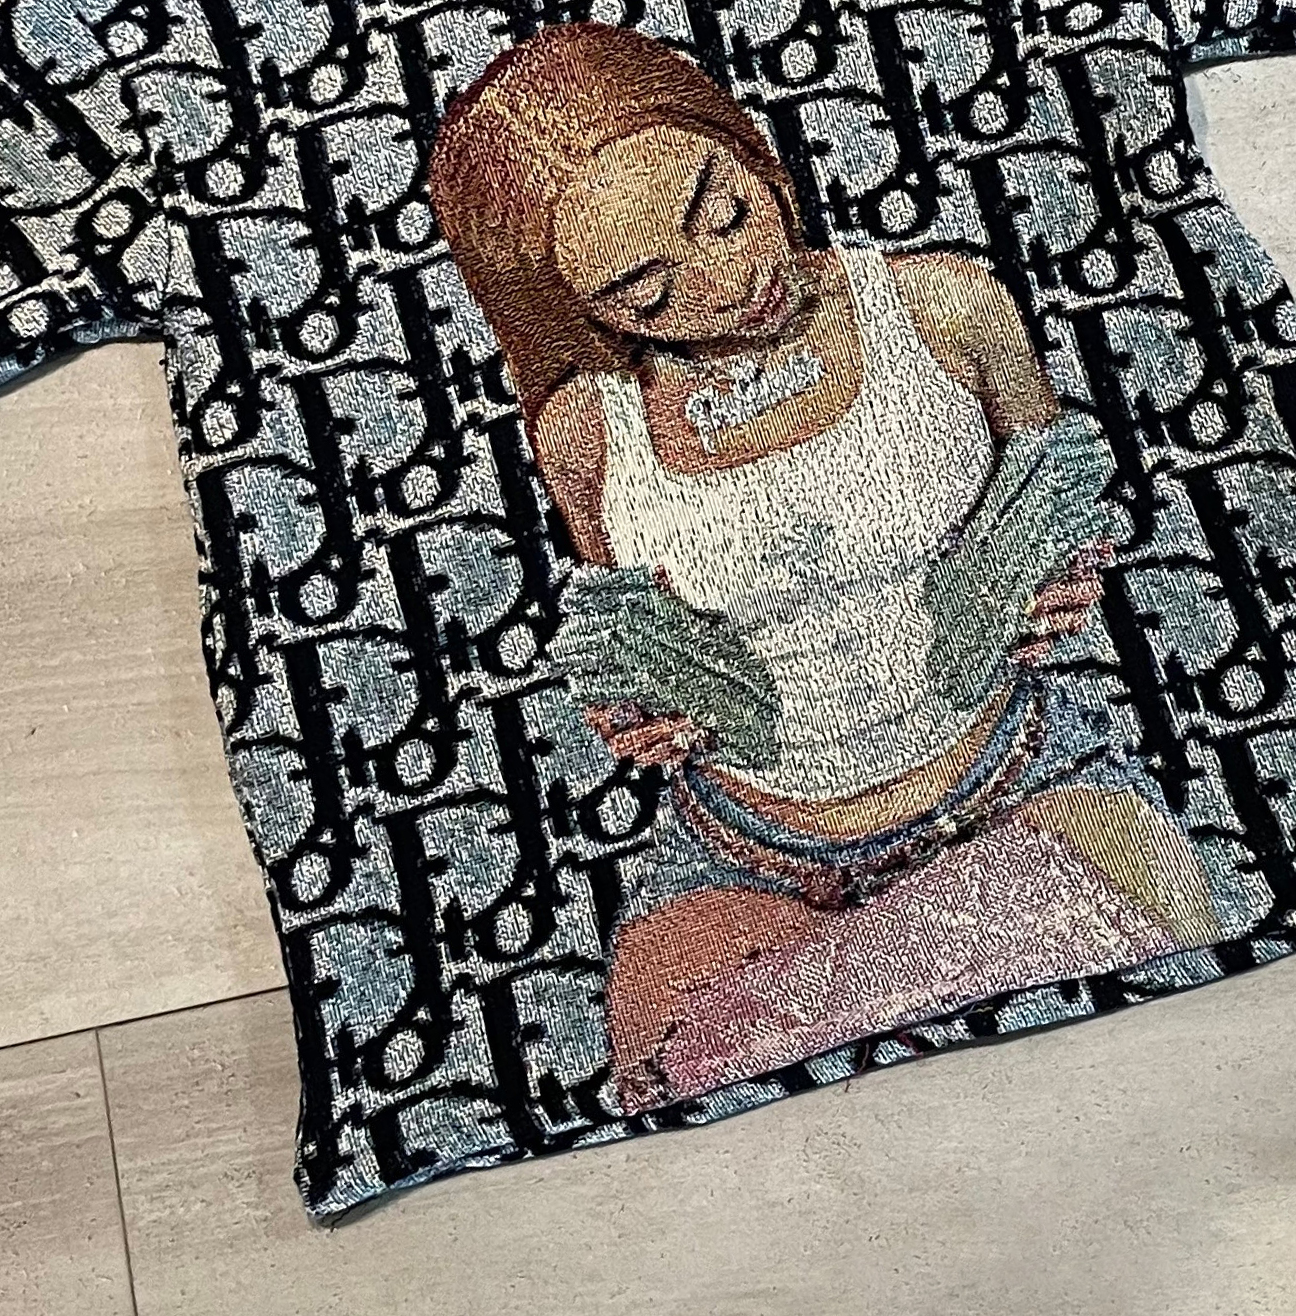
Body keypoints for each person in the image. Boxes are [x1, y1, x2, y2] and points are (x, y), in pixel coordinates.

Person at [428, 22, 1219, 1113]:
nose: (728, 279)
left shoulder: (945, 303)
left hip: (1021, 782)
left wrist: (1056, 567)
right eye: (648, 295)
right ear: (576, 311)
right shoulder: (582, 432)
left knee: (1144, 1040)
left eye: (723, 210)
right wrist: (639, 706)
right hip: (739, 853)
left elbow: (1060, 490)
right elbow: (634, 627)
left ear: (749, 151)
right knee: (682, 1097)